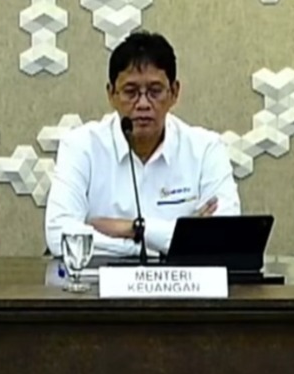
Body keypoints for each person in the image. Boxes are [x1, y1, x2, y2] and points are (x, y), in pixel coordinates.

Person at [44, 31, 240, 258]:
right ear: (111, 94)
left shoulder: (206, 149)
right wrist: (168, 244)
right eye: (131, 92)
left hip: (182, 281)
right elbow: (60, 236)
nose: (143, 104)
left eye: (155, 91)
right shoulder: (81, 147)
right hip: (101, 281)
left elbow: (225, 237)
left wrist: (135, 229)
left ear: (174, 92)